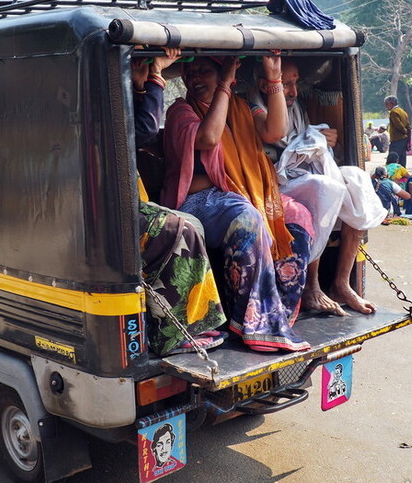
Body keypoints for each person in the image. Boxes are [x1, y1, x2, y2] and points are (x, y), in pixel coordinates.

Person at [162, 55, 313, 353]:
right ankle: (248, 319)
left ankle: (279, 313)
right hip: (198, 202)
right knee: (246, 217)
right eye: (190, 72)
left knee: (298, 215)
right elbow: (208, 138)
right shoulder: (180, 110)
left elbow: (275, 132)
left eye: (204, 70)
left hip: (244, 194)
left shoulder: (242, 107)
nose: (194, 77)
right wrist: (224, 84)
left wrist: (274, 78)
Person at [250, 57, 386, 316]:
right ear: (266, 85)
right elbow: (274, 137)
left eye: (295, 83)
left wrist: (323, 139)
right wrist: (309, 142)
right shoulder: (252, 106)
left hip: (300, 176)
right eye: (285, 84)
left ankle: (341, 284)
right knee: (321, 187)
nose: (293, 91)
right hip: (269, 187)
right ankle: (311, 286)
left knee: (356, 178)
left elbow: (306, 143)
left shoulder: (297, 107)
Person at [129, 48, 227, 356]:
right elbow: (144, 130)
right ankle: (171, 334)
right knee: (179, 229)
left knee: (188, 225)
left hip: (123, 200)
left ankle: (193, 322)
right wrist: (156, 75)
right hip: (102, 210)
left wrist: (141, 85)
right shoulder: (91, 106)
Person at [385, 95, 410, 163]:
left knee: (392, 160)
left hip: (397, 139)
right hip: (404, 140)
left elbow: (399, 125)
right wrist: (408, 137)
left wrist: (405, 132)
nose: (386, 106)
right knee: (402, 159)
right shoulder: (403, 112)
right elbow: (408, 126)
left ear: (392, 103)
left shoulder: (393, 112)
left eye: (387, 104)